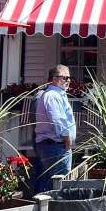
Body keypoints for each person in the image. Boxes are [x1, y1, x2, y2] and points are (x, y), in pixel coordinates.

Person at [34, 65, 77, 193]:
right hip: (56, 146)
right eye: (65, 78)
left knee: (51, 184)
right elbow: (58, 120)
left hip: (54, 146)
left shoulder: (57, 94)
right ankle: (55, 206)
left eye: (69, 78)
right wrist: (67, 139)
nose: (68, 80)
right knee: (59, 185)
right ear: (54, 79)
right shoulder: (52, 95)